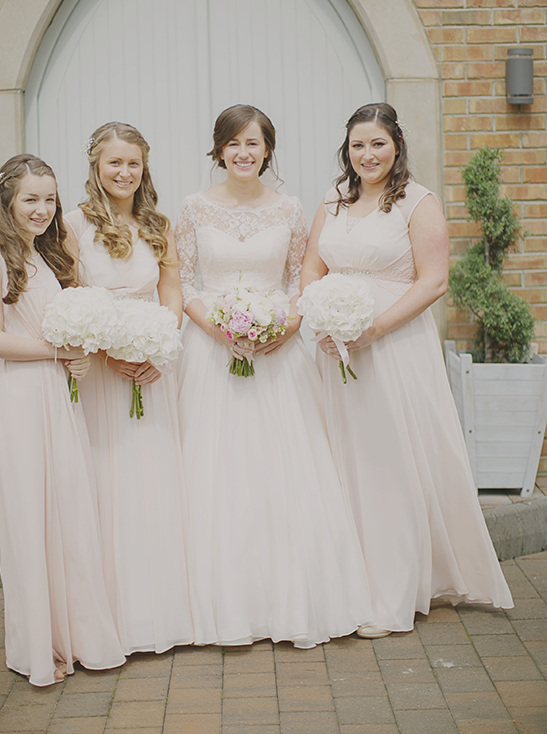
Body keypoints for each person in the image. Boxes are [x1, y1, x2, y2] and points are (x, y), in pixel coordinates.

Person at [302, 102, 513, 636]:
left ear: (396, 145)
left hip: (391, 347)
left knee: (386, 464)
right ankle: (348, 582)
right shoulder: (332, 199)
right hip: (332, 349)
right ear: (346, 150)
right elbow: (311, 265)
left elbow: (432, 282)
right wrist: (318, 314)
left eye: (377, 143)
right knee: (337, 461)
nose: (366, 155)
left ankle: (392, 594)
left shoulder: (417, 202)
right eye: (357, 145)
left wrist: (371, 330)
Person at [175, 104, 373, 648]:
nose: (243, 153)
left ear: (268, 151)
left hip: (277, 350)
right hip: (211, 352)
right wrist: (218, 332)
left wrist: (284, 328)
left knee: (283, 471)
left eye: (254, 144)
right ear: (218, 150)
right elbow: (185, 284)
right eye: (233, 144)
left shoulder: (289, 209)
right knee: (213, 473)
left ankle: (290, 598)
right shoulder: (192, 208)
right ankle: (215, 603)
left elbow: (298, 280)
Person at [0, 153, 125, 686]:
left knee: (67, 516)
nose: (41, 209)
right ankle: (38, 649)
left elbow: (60, 333)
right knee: (30, 522)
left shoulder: (52, 256)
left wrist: (78, 353)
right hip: (20, 402)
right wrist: (58, 352)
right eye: (30, 199)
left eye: (49, 199)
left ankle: (73, 638)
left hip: (61, 399)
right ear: (8, 201)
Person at [65, 122, 193, 655]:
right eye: (114, 163)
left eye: (133, 164)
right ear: (96, 167)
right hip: (99, 375)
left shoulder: (158, 224)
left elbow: (173, 295)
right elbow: (70, 296)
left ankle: (157, 614)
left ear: (145, 168)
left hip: (150, 372)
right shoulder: (71, 225)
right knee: (102, 486)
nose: (124, 173)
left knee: (151, 486)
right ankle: (106, 616)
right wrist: (104, 349)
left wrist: (160, 349)